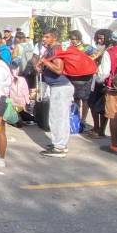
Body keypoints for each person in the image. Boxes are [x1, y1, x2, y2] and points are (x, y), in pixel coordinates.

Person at [37, 29, 74, 158]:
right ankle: (59, 144)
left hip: (61, 87)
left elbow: (59, 69)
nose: (44, 39)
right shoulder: (52, 50)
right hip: (59, 87)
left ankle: (59, 147)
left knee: (57, 117)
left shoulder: (55, 50)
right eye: (43, 36)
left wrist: (45, 62)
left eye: (47, 37)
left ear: (54, 38)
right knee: (60, 117)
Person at [84, 29, 112, 139]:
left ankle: (100, 130)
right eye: (98, 38)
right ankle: (97, 127)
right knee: (92, 103)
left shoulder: (109, 50)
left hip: (103, 80)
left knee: (101, 106)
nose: (100, 40)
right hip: (96, 79)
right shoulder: (98, 48)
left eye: (102, 38)